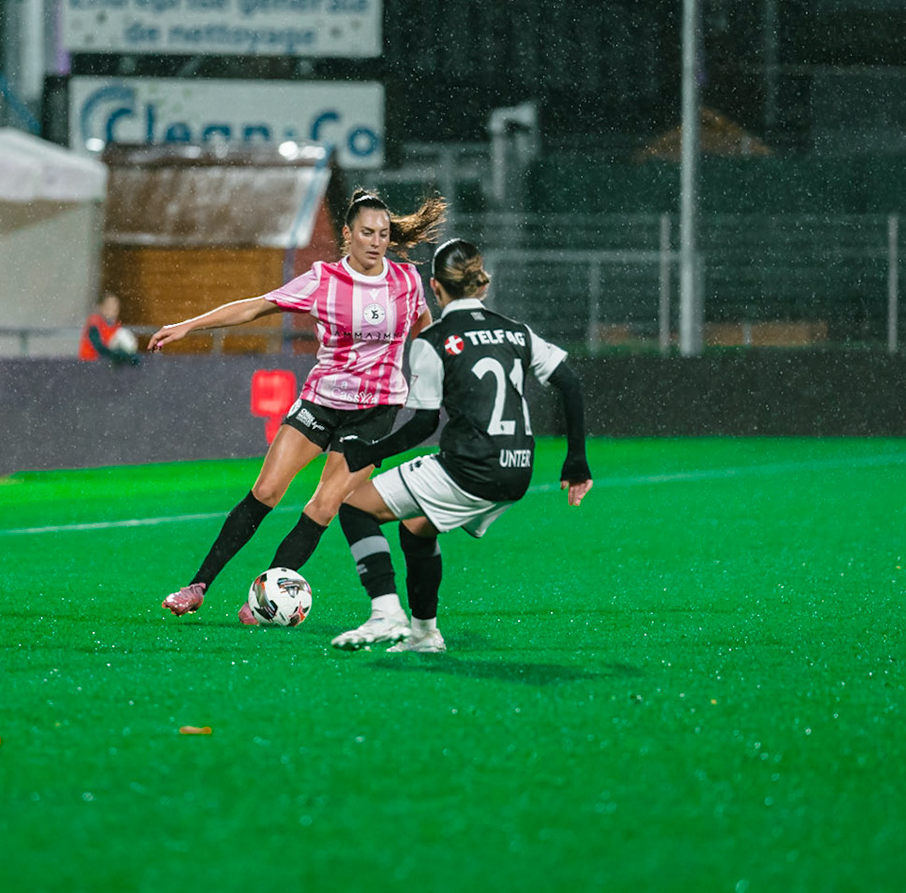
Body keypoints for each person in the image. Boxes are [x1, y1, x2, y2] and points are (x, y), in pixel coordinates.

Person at [152, 190, 447, 626]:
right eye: (367, 232)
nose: (376, 241)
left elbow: (424, 325)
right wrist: (188, 325)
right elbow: (256, 306)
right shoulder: (324, 278)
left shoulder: (406, 281)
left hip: (377, 410)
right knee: (267, 491)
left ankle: (261, 602)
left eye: (383, 234)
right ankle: (197, 586)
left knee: (324, 505)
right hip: (322, 402)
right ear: (347, 234)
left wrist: (430, 364)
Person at [316, 238, 593, 652]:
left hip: (470, 466)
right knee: (416, 528)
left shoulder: (433, 340)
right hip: (517, 469)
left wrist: (369, 452)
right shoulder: (517, 332)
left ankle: (385, 612)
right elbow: (569, 383)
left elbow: (424, 423)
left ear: (436, 288)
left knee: (356, 507)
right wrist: (576, 462)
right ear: (481, 285)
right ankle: (425, 635)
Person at [80, 292, 135, 364]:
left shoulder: (116, 327)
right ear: (101, 307)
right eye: (109, 307)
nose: (113, 310)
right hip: (88, 364)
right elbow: (98, 346)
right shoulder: (94, 323)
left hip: (105, 365)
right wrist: (116, 355)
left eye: (115, 308)